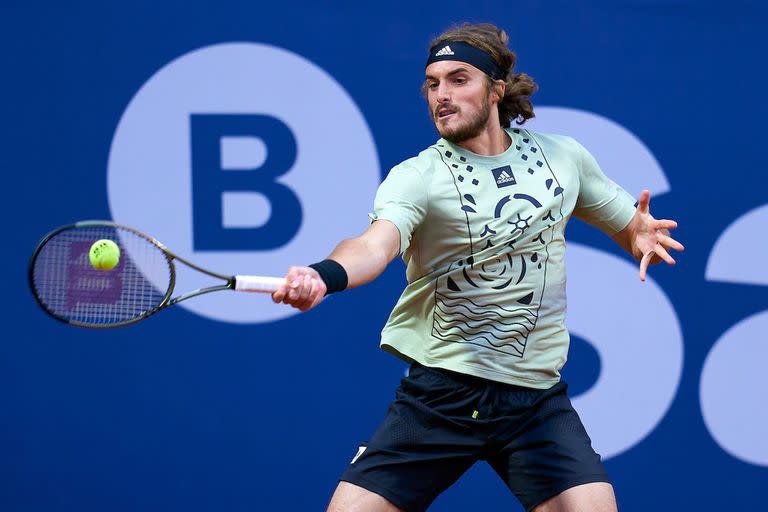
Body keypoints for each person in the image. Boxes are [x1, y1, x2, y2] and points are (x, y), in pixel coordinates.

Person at [272, 22, 683, 512]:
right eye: (432, 83)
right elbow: (372, 246)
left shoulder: (562, 158)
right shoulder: (418, 177)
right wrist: (325, 274)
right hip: (441, 393)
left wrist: (637, 234)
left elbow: (624, 222)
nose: (441, 95)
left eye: (458, 79)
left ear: (496, 90)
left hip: (534, 399)